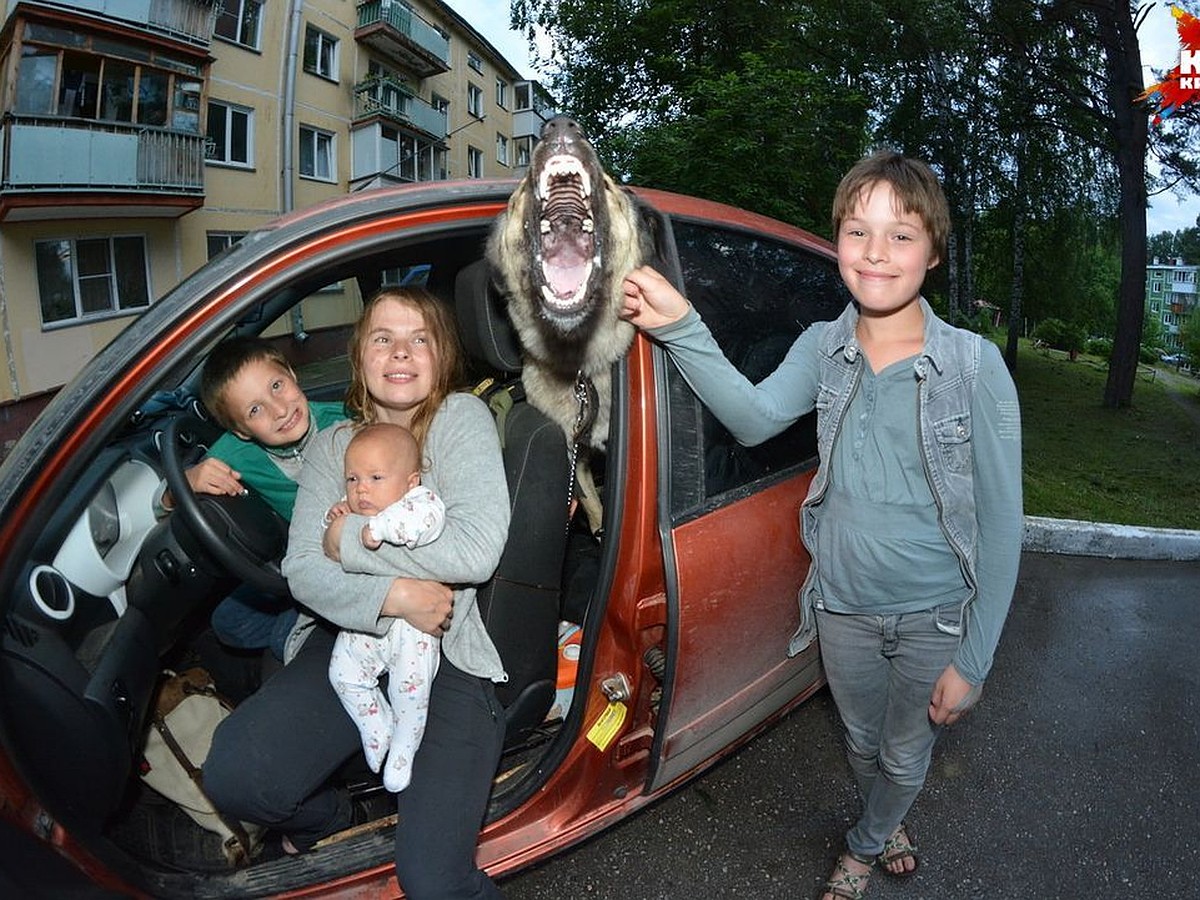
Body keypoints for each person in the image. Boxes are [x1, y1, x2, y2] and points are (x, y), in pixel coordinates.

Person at [620, 151, 1023, 900]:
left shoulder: (975, 368)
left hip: (934, 613)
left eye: (901, 236)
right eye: (857, 231)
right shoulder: (822, 348)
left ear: (933, 253)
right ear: (837, 240)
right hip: (840, 608)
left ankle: (866, 844)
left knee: (905, 754)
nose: (876, 254)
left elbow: (1002, 525)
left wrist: (974, 661)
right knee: (864, 742)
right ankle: (886, 815)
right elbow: (751, 420)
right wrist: (681, 327)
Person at [204, 288, 510, 900]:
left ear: (442, 353)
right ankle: (335, 822)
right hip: (355, 635)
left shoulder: (460, 420)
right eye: (382, 338)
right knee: (235, 777)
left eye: (419, 338)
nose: (400, 352)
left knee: (433, 881)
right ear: (359, 355)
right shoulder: (329, 445)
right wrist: (395, 594)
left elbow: (475, 551)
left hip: (451, 651)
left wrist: (346, 537)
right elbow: (302, 572)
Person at [159, 337, 345, 660]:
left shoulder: (344, 421)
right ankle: (305, 629)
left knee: (280, 640)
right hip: (291, 560)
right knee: (228, 623)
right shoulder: (235, 452)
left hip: (344, 559)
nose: (280, 409)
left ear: (291, 373)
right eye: (255, 409)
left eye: (277, 385)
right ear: (241, 430)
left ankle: (307, 636)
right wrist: (189, 479)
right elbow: (164, 502)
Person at [324, 422, 446, 793]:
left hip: (414, 631)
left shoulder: (420, 502)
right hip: (367, 624)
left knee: (410, 693)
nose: (362, 489)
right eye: (352, 479)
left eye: (376, 477)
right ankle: (377, 727)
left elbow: (425, 523)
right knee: (342, 673)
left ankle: (404, 748)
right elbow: (328, 546)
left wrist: (376, 528)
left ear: (410, 483)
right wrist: (337, 520)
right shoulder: (354, 510)